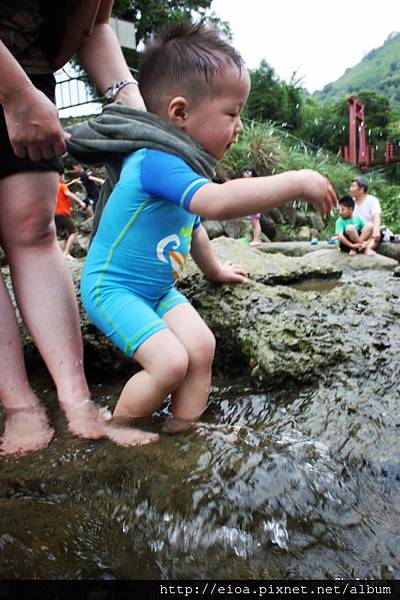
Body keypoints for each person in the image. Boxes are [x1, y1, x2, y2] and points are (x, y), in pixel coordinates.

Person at [79, 22, 337, 445]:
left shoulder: (182, 166)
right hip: (114, 287)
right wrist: (296, 181)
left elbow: (193, 227)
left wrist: (214, 269)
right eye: (232, 114)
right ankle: (114, 428)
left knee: (201, 346)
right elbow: (214, 204)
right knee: (169, 363)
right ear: (180, 112)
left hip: (156, 290)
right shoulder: (156, 160)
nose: (238, 127)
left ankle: (184, 425)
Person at [0, 0, 152, 455]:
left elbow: (93, 25)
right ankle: (20, 405)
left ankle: (77, 399)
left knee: (34, 228)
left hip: (29, 64)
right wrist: (15, 96)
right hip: (17, 82)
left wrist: (131, 102)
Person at [55, 174, 86, 258]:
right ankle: (66, 253)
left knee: (63, 236)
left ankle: (62, 256)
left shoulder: (53, 188)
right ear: (60, 177)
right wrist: (80, 202)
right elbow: (68, 193)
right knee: (74, 232)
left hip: (55, 215)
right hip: (63, 213)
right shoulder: (62, 186)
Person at [350, 176, 382, 252]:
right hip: (355, 233)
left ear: (361, 189)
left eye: (353, 186)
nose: (350, 189)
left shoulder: (372, 200)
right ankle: (361, 246)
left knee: (374, 231)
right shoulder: (350, 202)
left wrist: (376, 230)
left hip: (369, 231)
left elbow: (377, 216)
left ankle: (363, 247)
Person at [242, 167, 262, 246]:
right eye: (245, 171)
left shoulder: (254, 182)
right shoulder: (246, 182)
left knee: (255, 222)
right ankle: (256, 239)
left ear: (253, 173)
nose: (246, 173)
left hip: (255, 204)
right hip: (251, 205)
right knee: (254, 223)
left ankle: (257, 239)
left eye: (249, 171)